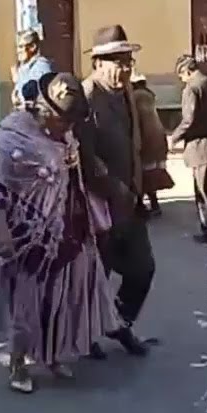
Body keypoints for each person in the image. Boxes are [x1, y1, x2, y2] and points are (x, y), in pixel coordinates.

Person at [0, 72, 121, 392]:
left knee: (62, 298)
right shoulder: (10, 137)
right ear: (44, 111)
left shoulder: (65, 134)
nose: (68, 128)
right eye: (63, 121)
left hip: (68, 227)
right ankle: (17, 363)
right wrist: (1, 233)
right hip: (26, 234)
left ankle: (52, 354)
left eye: (71, 122)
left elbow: (73, 178)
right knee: (26, 302)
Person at [77, 24, 156, 357]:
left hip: (130, 201)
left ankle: (119, 323)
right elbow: (85, 156)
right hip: (100, 207)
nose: (125, 69)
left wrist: (138, 184)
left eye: (128, 61)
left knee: (143, 269)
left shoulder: (127, 93)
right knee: (98, 275)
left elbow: (134, 144)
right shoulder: (85, 97)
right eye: (118, 62)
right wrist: (113, 187)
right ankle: (87, 335)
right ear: (98, 62)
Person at [169, 54, 207, 243]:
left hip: (200, 145)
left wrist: (174, 137)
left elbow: (189, 119)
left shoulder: (192, 88)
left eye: (181, 75)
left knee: (203, 190)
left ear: (187, 71)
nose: (181, 80)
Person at [130, 72, 173, 216]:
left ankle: (141, 205)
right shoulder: (149, 96)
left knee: (142, 173)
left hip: (145, 138)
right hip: (158, 138)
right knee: (152, 172)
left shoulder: (135, 97)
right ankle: (154, 204)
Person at [12, 29, 52, 106]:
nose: (18, 51)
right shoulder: (23, 67)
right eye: (17, 47)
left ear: (32, 47)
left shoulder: (41, 67)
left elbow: (36, 97)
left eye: (21, 47)